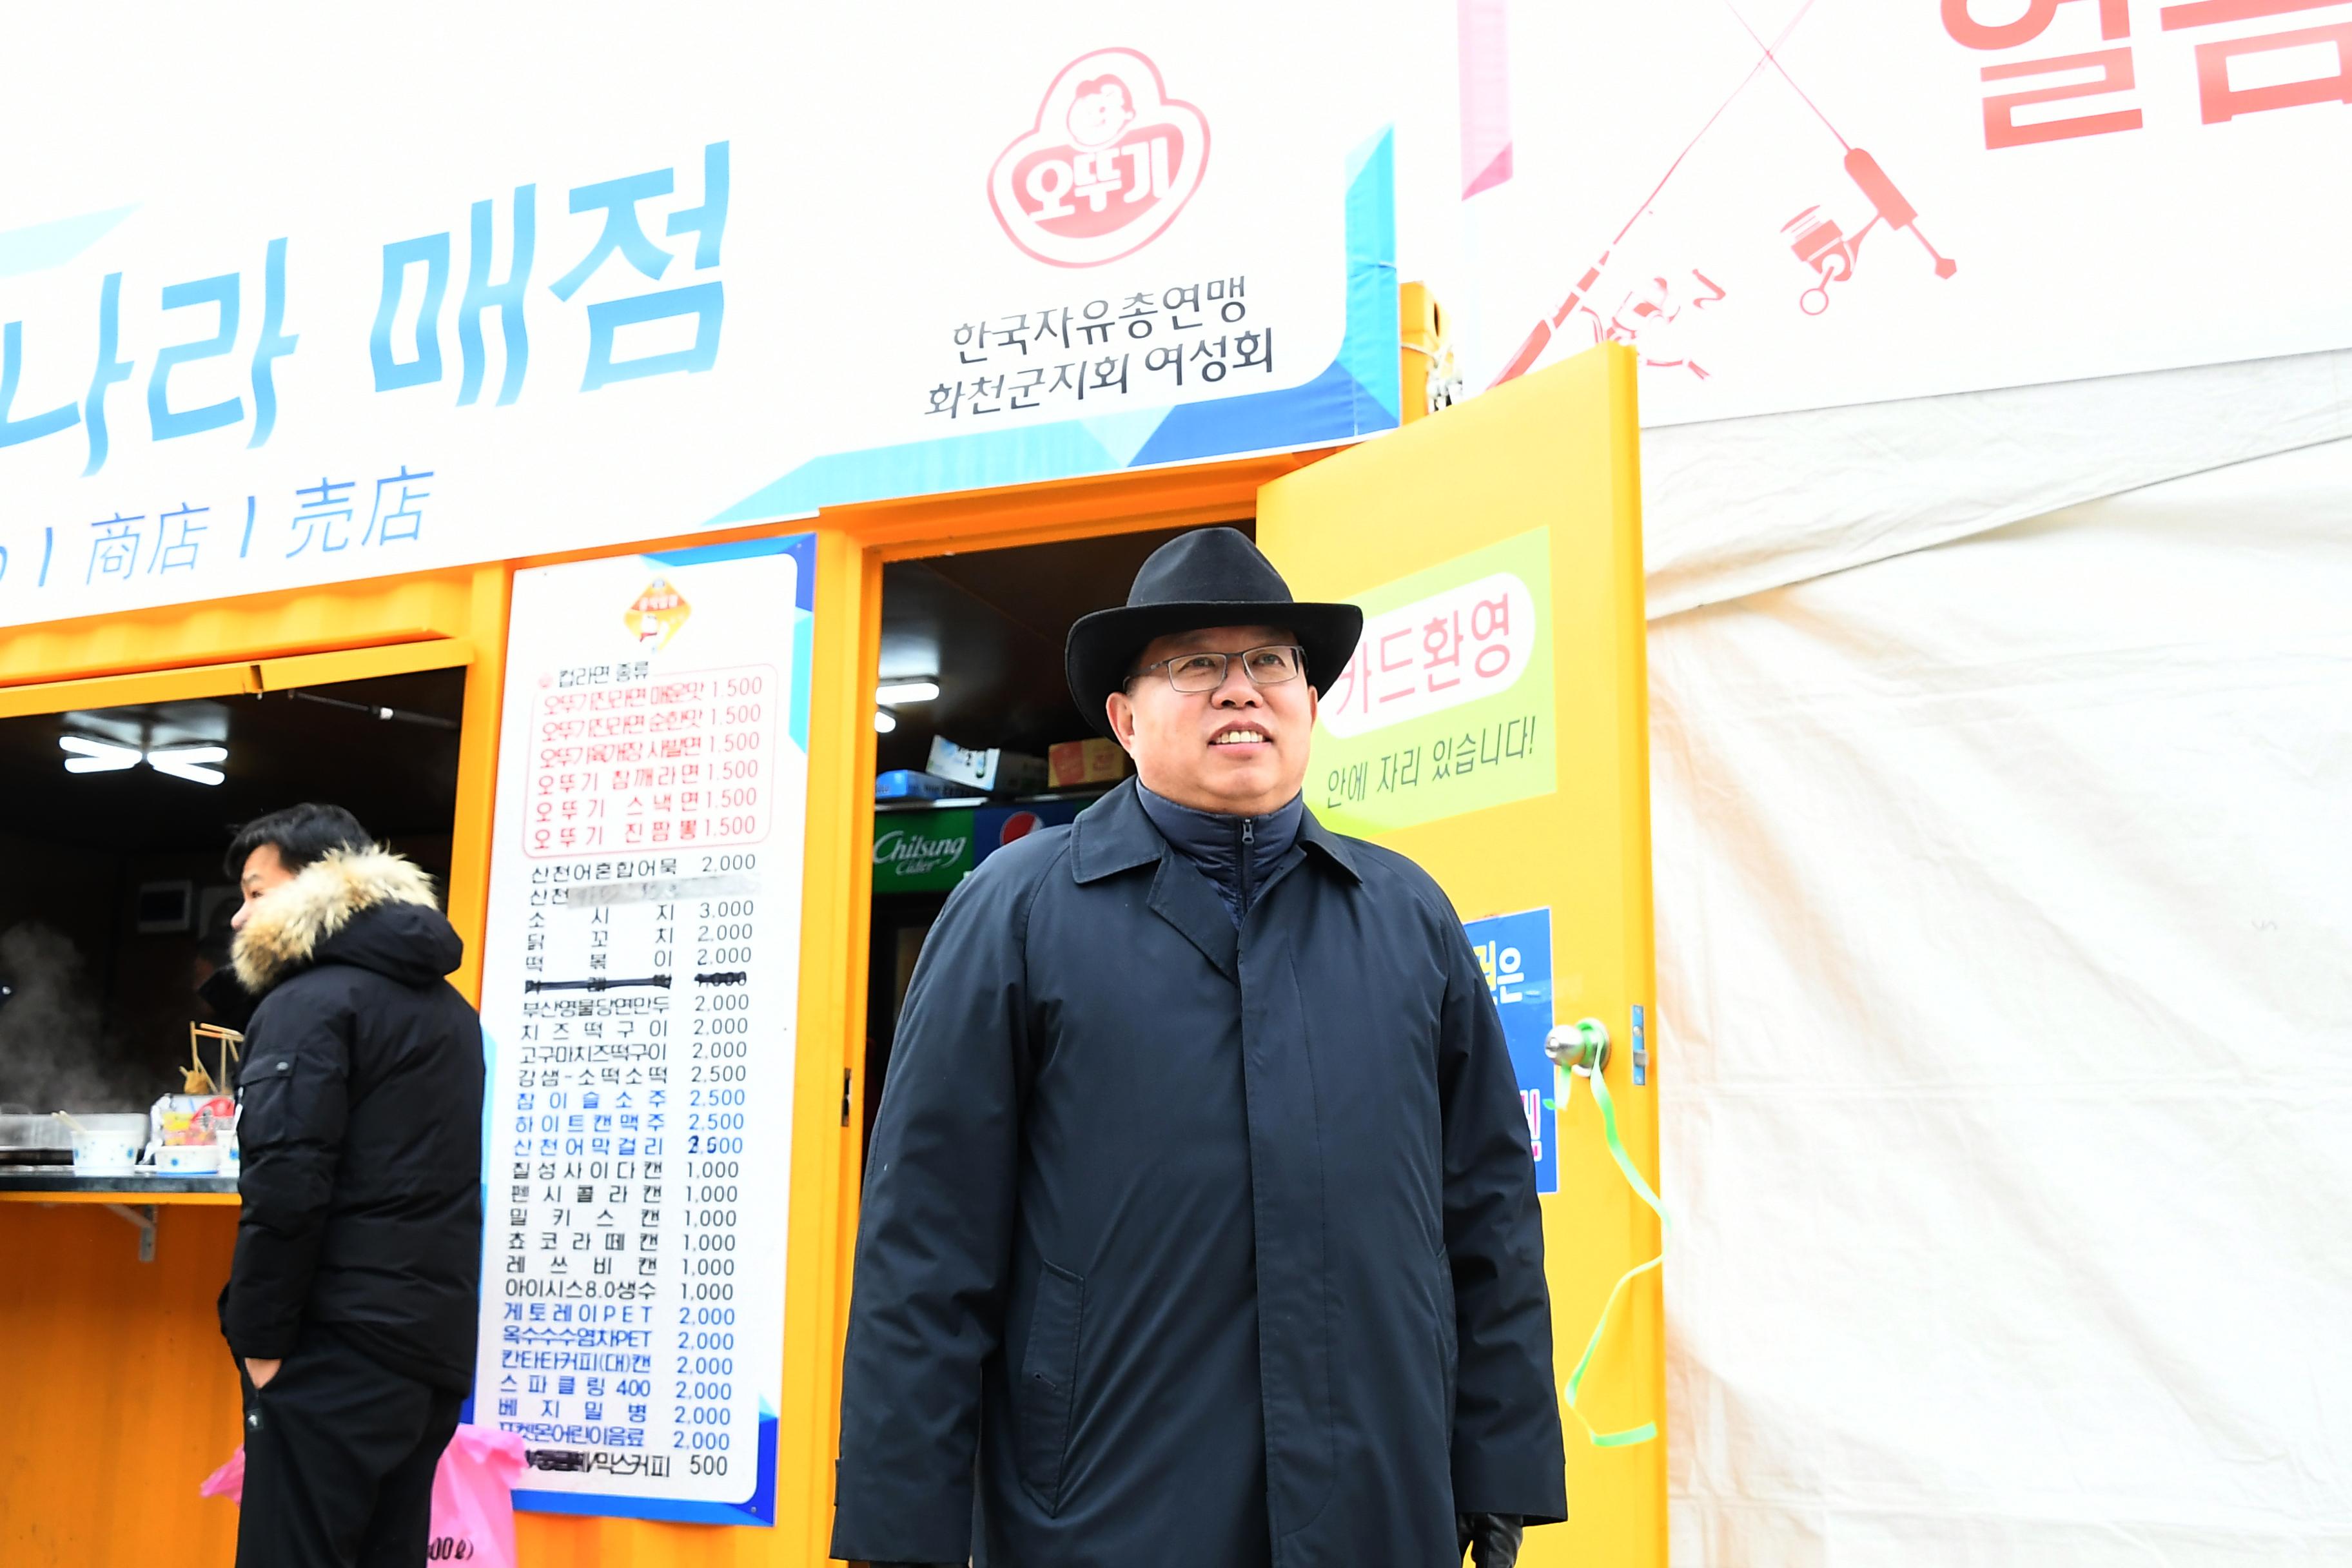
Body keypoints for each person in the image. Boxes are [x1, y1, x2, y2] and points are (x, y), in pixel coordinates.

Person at [832, 528, 1565, 1568]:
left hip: (1377, 1502)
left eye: (1270, 662)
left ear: (1309, 703)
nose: (1241, 690)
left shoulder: (1406, 917)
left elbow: (1487, 1217)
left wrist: (1500, 1476)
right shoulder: (1018, 912)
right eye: (1195, 664)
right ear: (1125, 719)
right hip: (1099, 1512)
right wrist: (899, 1532)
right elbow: (924, 1243)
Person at [215, 803, 484, 1568]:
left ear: (319, 885)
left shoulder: (305, 1003)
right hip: (424, 1350)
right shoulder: (448, 1008)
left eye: (256, 892)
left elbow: (287, 1186)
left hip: (331, 1349)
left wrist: (261, 1345)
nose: (240, 917)